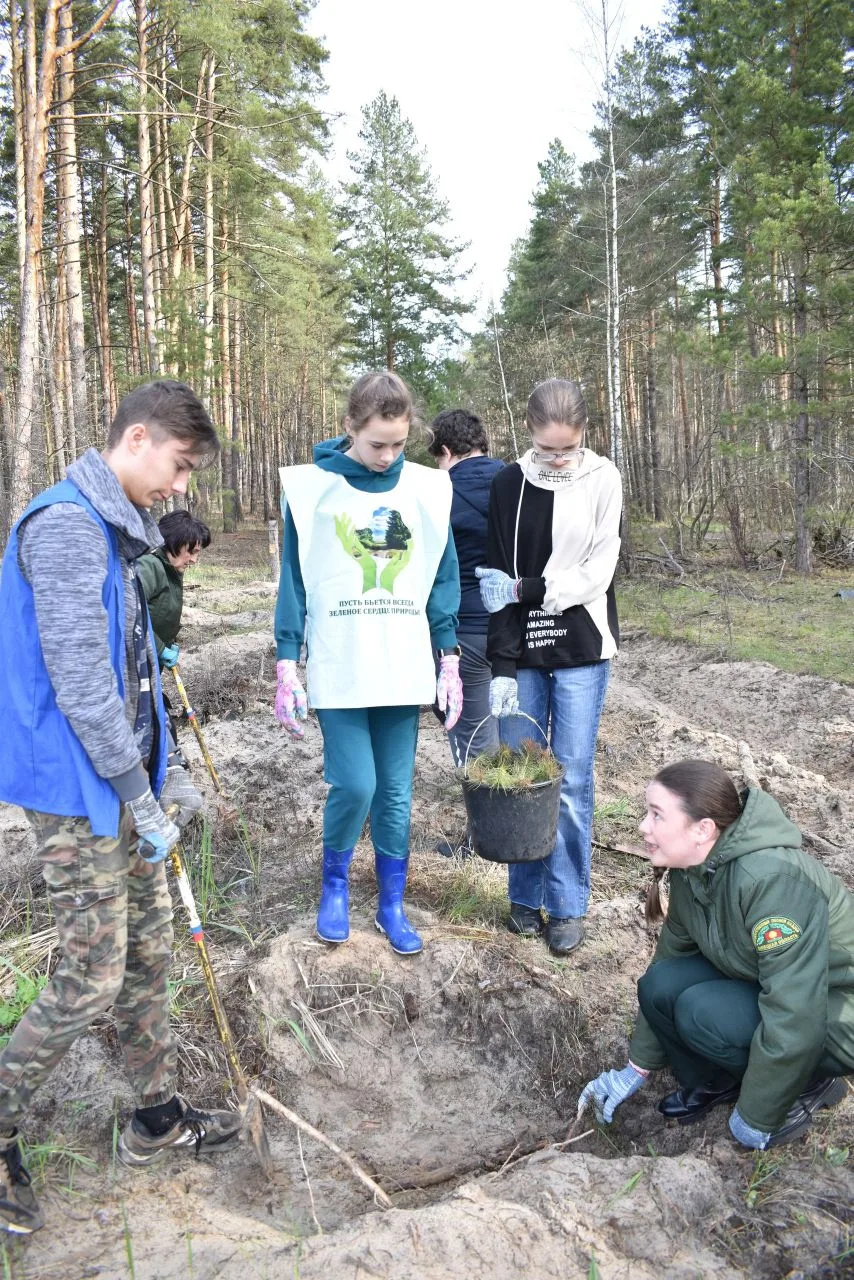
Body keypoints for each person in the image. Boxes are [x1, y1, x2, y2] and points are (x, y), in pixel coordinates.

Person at [0, 381, 239, 1236]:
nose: (181, 488)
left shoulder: (112, 531)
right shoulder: (65, 525)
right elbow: (79, 680)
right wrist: (136, 790)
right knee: (93, 969)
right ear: (136, 440)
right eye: (178, 466)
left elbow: (135, 671)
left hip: (122, 785)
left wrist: (157, 775)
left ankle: (153, 1118)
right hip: (77, 791)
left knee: (149, 953)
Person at [274, 371, 463, 956]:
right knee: (355, 783)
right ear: (351, 429)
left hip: (402, 665)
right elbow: (295, 580)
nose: (387, 457)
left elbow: (442, 576)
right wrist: (287, 660)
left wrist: (448, 655)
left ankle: (390, 902)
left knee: (397, 792)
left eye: (399, 444)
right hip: (342, 662)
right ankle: (333, 887)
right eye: (377, 443)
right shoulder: (312, 491)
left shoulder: (429, 491)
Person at [578, 760, 854, 1149]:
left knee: (701, 1011)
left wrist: (758, 1116)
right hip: (779, 986)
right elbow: (666, 965)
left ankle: (807, 1083)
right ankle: (725, 1077)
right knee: (661, 985)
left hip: (837, 1005)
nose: (643, 826)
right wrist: (635, 1069)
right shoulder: (693, 870)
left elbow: (796, 1012)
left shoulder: (770, 881)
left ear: (703, 829)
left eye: (657, 815)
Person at [477, 378, 621, 955]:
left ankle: (566, 904)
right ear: (529, 433)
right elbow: (494, 583)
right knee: (521, 770)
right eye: (546, 448)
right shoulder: (509, 482)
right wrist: (503, 667)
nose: (557, 458)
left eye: (566, 447)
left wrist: (532, 587)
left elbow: (600, 568)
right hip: (524, 650)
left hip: (583, 645)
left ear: (583, 432)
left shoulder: (602, 478)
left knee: (572, 778)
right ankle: (523, 894)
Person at [427, 409, 504, 855]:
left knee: (470, 734)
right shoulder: (517, 482)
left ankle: (487, 842)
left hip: (464, 631)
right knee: (509, 730)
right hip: (517, 627)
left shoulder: (439, 491)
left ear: (446, 450)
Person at [138, 508, 212, 670]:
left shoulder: (173, 568)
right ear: (175, 542)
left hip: (150, 657)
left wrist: (168, 643)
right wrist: (160, 648)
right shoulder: (149, 566)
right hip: (137, 659)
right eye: (192, 552)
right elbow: (131, 616)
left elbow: (160, 611)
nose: (194, 560)